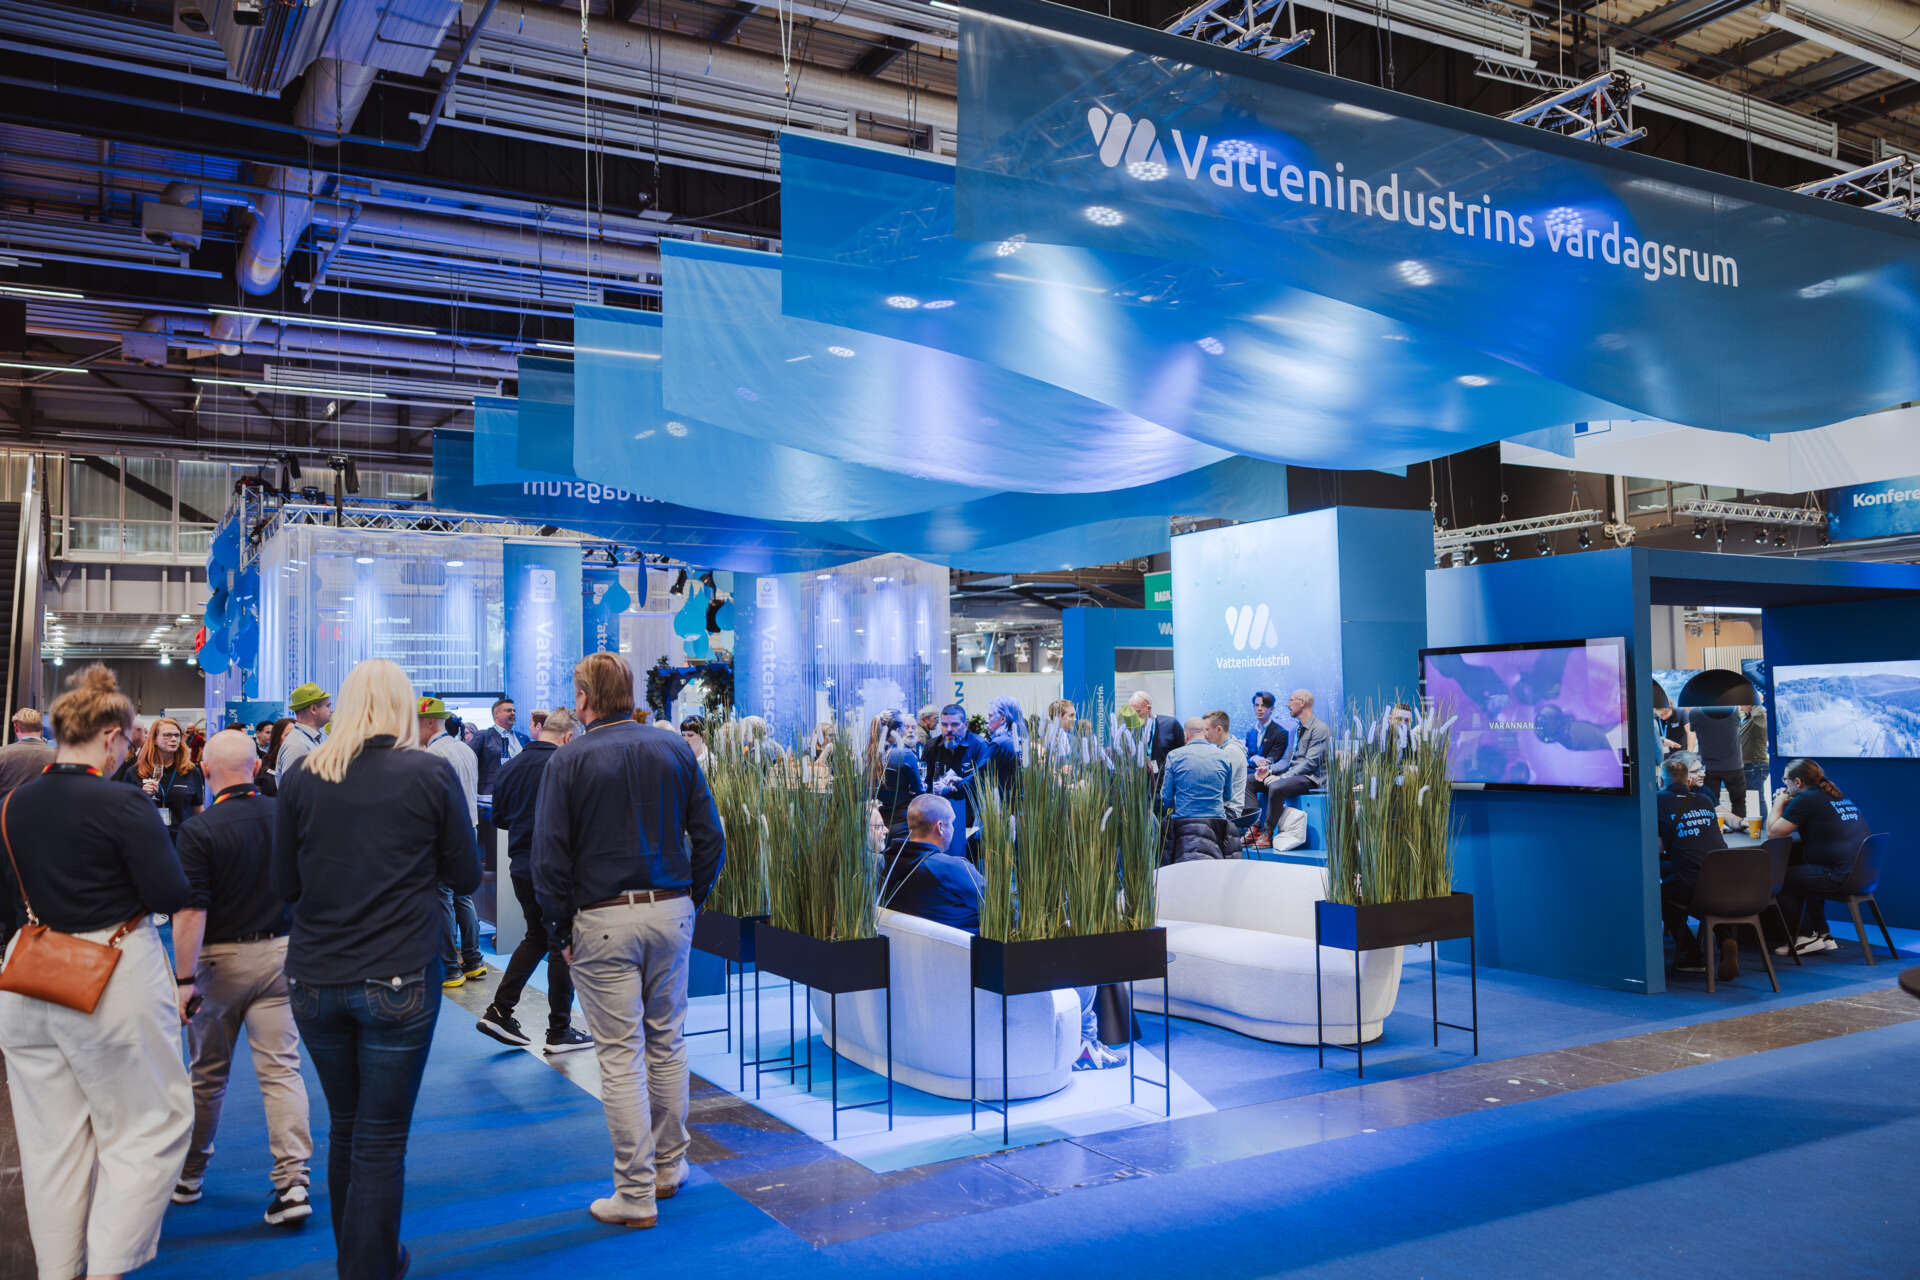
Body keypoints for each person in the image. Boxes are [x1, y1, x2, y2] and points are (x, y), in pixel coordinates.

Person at [273, 658, 480, 1280]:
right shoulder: (429, 772)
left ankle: (367, 1261)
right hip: (398, 974)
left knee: (346, 1127)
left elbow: (284, 883)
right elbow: (465, 875)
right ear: (402, 706)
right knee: (381, 1138)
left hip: (315, 975)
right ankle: (369, 1267)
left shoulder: (303, 774)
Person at [0, 664, 193, 1280]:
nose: (128, 752)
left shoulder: (14, 803)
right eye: (129, 740)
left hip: (29, 975)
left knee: (50, 1145)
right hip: (110, 972)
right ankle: (107, 1270)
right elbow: (169, 892)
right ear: (110, 735)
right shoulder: (123, 801)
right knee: (150, 1125)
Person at [533, 651, 726, 1229]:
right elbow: (710, 837)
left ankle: (635, 1193)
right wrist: (690, 901)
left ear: (584, 698)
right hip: (670, 911)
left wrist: (559, 930)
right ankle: (669, 1167)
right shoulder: (673, 748)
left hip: (602, 919)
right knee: (666, 1043)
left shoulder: (567, 760)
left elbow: (549, 858)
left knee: (620, 1057)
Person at [168, 729, 313, 1225]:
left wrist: (183, 980)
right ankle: (293, 1183)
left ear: (206, 771)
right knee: (282, 1070)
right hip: (282, 956)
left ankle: (189, 1176)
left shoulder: (199, 831)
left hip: (218, 964)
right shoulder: (286, 818)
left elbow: (191, 912)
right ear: (255, 768)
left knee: (207, 1076)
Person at [880, 795, 1121, 1070]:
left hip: (938, 970)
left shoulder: (891, 865)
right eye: (952, 824)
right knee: (1082, 953)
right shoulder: (951, 869)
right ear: (940, 827)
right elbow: (1005, 910)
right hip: (985, 967)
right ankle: (1085, 1044)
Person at [478, 709, 591, 1055]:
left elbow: (498, 817)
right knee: (561, 941)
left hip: (521, 865)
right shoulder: (565, 766)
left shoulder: (511, 765)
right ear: (568, 737)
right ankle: (559, 1030)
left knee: (538, 936)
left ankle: (500, 1010)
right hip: (556, 868)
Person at [1769, 758, 1871, 956]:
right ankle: (1823, 934)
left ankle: (1806, 936)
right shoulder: (1835, 795)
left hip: (1838, 875)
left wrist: (1778, 802)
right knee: (1808, 871)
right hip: (1861, 874)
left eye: (1785, 780)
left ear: (1797, 782)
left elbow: (1774, 832)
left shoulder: (1806, 799)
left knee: (1781, 879)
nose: (1784, 784)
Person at [418, 696, 484, 989]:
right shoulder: (465, 749)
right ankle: (473, 960)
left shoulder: (433, 755)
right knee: (463, 896)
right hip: (470, 828)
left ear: (429, 722)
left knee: (442, 896)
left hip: (444, 834)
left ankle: (449, 968)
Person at [1655, 752, 1736, 980]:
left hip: (1693, 886)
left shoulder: (1658, 800)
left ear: (1661, 780)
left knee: (1660, 895)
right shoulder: (1704, 800)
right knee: (1708, 894)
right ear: (1688, 781)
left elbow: (1658, 848)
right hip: (1727, 883)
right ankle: (1725, 939)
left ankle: (1691, 955)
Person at [1248, 690, 1330, 850]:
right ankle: (1254, 827)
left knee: (1276, 786)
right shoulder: (1297, 729)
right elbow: (1287, 760)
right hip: (1294, 774)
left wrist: (1283, 777)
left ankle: (1267, 833)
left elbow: (1310, 763)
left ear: (1302, 703)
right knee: (1250, 781)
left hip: (1311, 778)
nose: (1288, 704)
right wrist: (1269, 770)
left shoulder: (1320, 729)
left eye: (1291, 700)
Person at [0, 729, 53, 948]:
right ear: (40, 729)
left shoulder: (3, 754)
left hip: (5, 827)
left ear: (16, 727)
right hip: (44, 832)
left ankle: (10, 944)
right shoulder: (55, 756)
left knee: (7, 887)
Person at [122, 715, 205, 835]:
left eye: (177, 735)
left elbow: (198, 810)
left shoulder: (191, 771)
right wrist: (141, 795)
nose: (173, 739)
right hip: (148, 837)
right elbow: (124, 811)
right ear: (154, 739)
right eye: (167, 735)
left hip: (183, 839)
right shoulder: (135, 772)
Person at [866, 710, 924, 850]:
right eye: (904, 726)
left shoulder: (869, 755)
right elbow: (920, 794)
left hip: (879, 823)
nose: (907, 730)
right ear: (897, 730)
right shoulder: (906, 755)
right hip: (903, 822)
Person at [1686, 704, 1747, 829]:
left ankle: (1713, 829)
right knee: (1738, 801)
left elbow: (1692, 731)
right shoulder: (1734, 710)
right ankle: (1740, 827)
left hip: (1709, 766)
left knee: (1710, 803)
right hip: (1734, 764)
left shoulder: (1695, 712)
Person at [1160, 717, 1232, 821]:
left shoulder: (1173, 756)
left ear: (1185, 735)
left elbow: (1167, 797)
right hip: (1217, 822)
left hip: (1183, 822)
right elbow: (1227, 796)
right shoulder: (1224, 756)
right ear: (1206, 733)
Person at [1242, 691, 1289, 819]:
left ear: (1271, 709)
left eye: (1263, 706)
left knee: (1245, 780)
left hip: (1269, 774)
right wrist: (1254, 758)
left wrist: (1263, 762)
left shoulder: (1281, 732)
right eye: (1257, 705)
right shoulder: (1251, 732)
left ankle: (1253, 823)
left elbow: (1274, 758)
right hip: (1252, 772)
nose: (1259, 709)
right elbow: (1247, 757)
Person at [275, 682, 332, 780]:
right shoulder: (297, 745)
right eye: (328, 706)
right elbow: (293, 787)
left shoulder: (307, 740)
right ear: (313, 709)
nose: (331, 710)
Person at [474, 696, 528, 796]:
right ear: (496, 714)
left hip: (519, 793)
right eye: (508, 710)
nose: (513, 713)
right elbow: (469, 761)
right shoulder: (483, 736)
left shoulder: (523, 738)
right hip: (491, 794)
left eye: (514, 711)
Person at [1201, 710, 1248, 817]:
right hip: (1222, 807)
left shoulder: (1231, 752)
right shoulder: (1224, 749)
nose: (1204, 734)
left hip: (1228, 811)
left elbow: (1219, 787)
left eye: (1207, 729)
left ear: (1219, 729)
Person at [1125, 691, 1185, 771]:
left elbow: (1182, 753)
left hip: (1166, 776)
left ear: (1148, 709)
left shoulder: (1171, 724)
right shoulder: (1130, 731)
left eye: (1138, 711)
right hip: (1141, 777)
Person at [982, 697, 1025, 795]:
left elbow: (980, 774)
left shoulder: (999, 744)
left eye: (990, 716)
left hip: (1002, 801)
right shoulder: (1024, 743)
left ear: (1002, 719)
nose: (987, 720)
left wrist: (956, 786)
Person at [1740, 699, 1769, 818]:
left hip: (1755, 765)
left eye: (1741, 703)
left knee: (1757, 799)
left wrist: (1753, 699)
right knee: (1753, 800)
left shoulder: (1758, 718)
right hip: (1750, 765)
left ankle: (1761, 827)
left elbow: (1759, 712)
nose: (1740, 707)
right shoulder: (1748, 719)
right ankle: (1755, 826)